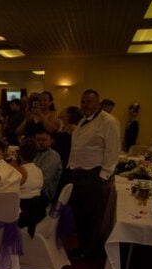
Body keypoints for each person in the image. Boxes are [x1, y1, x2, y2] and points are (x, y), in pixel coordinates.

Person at [68, 89, 120, 260]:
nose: (85, 105)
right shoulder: (85, 120)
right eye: (83, 101)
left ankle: (90, 253)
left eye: (89, 102)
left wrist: (103, 177)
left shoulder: (108, 121)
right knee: (80, 214)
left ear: (98, 103)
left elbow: (113, 151)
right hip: (78, 173)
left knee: (91, 216)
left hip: (93, 175)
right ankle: (83, 248)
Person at [12, 138, 47, 237]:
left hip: (22, 213)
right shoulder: (39, 171)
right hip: (36, 213)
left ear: (19, 153)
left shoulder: (20, 171)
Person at [33, 129, 62, 201]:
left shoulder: (53, 156)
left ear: (51, 141)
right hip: (33, 189)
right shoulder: (35, 153)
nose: (40, 142)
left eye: (43, 140)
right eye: (38, 140)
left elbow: (44, 180)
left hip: (43, 194)